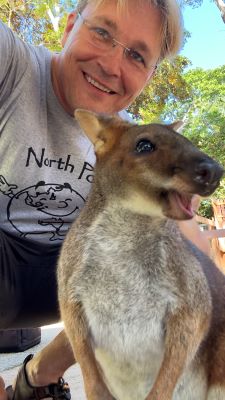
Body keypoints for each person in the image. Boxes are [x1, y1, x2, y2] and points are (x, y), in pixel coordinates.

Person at [0, 0, 211, 399]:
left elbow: (192, 252)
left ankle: (40, 376)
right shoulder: (15, 66)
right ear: (67, 28)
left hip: (67, 277)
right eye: (102, 32)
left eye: (136, 55)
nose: (112, 66)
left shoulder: (135, 143)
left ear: (149, 76)